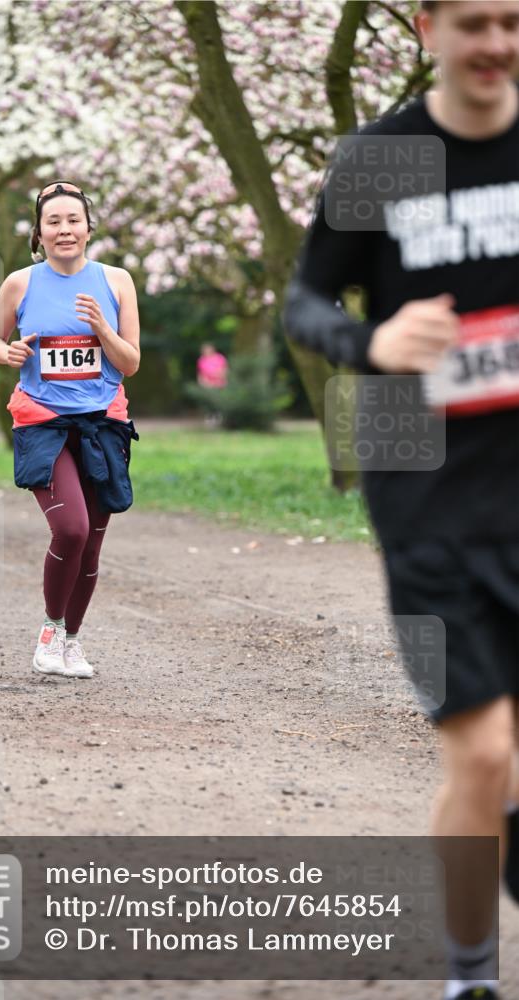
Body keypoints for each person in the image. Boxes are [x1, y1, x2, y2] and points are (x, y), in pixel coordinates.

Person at [283, 3, 518, 999]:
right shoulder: (381, 161)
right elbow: (302, 302)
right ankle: (469, 977)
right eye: (473, 23)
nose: (495, 44)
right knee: (485, 753)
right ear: (425, 28)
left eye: (511, 21)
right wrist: (369, 342)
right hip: (422, 492)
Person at [0, 181, 140, 679]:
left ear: (89, 229)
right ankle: (50, 633)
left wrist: (103, 329)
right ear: (39, 232)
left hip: (102, 424)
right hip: (43, 422)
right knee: (70, 528)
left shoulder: (117, 281)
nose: (64, 229)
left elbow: (130, 362)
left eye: (74, 220)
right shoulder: (20, 283)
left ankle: (72, 641)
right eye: (54, 221)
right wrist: (6, 352)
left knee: (91, 544)